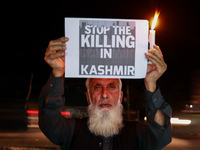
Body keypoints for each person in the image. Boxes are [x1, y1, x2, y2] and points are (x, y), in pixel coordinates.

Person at [39, 37, 172, 150]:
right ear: (88, 97)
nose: (104, 94)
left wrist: (151, 84)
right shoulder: (72, 131)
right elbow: (49, 122)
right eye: (97, 88)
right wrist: (57, 74)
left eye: (111, 87)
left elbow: (160, 137)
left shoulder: (137, 133)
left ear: (120, 97)